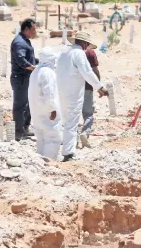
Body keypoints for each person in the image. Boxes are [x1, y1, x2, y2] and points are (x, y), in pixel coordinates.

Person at [56, 32, 109, 162]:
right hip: (73, 93)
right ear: (84, 43)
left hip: (60, 92)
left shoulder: (63, 52)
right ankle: (68, 154)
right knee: (71, 124)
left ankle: (67, 148)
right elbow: (87, 72)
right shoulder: (79, 53)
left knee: (65, 122)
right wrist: (100, 87)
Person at [28, 47, 61, 160]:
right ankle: (49, 162)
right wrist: (52, 109)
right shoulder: (48, 72)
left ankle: (40, 161)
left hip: (36, 110)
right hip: (46, 110)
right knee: (52, 137)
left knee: (41, 137)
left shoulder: (36, 71)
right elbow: (49, 93)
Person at [10, 18, 38, 141]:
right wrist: (35, 68)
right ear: (26, 29)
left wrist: (39, 62)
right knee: (20, 105)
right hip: (21, 78)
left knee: (29, 104)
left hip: (27, 77)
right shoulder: (19, 42)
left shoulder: (24, 40)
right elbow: (21, 61)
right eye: (33, 29)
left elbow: (29, 58)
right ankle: (18, 132)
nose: (35, 32)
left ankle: (24, 128)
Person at [80, 48, 101, 149]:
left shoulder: (70, 52)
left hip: (72, 89)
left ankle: (72, 139)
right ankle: (85, 133)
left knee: (72, 115)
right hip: (87, 87)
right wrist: (99, 86)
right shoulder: (90, 52)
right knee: (88, 114)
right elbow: (95, 70)